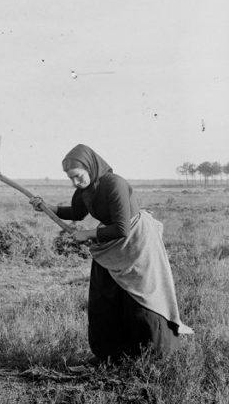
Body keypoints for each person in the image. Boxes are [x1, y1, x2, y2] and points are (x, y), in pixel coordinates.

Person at [30, 144, 192, 366]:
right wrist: (47, 207)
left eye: (78, 177)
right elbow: (76, 212)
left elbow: (122, 229)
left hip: (136, 243)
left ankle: (151, 358)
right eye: (71, 178)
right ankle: (111, 355)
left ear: (90, 167)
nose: (75, 183)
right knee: (104, 295)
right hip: (111, 243)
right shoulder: (85, 189)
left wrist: (88, 233)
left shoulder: (114, 184)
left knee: (140, 298)